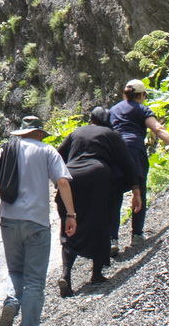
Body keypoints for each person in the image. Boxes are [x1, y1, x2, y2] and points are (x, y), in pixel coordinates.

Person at [0, 115, 76, 326]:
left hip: (8, 221)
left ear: (21, 133)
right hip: (37, 223)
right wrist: (71, 215)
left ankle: (12, 301)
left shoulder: (5, 151)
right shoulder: (48, 151)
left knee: (16, 271)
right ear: (40, 133)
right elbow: (62, 182)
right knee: (34, 281)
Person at [54, 107, 143, 297]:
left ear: (90, 119)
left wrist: (58, 178)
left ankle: (66, 275)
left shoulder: (76, 132)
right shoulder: (112, 134)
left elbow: (57, 155)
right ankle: (96, 274)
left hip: (70, 177)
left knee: (69, 225)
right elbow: (127, 163)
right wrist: (136, 189)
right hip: (98, 176)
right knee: (99, 222)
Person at [109, 80, 169, 251]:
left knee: (115, 195)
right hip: (135, 151)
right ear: (141, 95)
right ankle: (137, 235)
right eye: (145, 95)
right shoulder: (142, 109)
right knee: (139, 189)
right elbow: (158, 129)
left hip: (115, 153)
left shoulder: (113, 110)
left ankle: (112, 239)